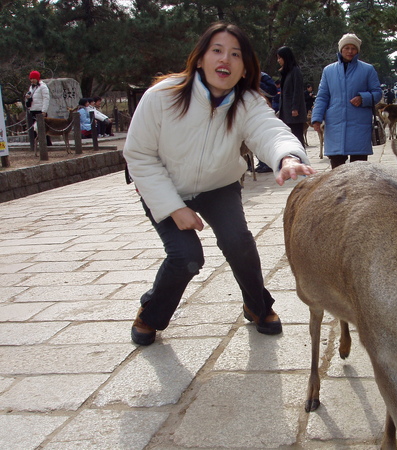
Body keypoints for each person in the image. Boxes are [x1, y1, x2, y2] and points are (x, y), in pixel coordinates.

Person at [123, 22, 315, 345]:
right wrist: (174, 208)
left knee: (239, 242)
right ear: (200, 59)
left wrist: (287, 156)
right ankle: (150, 314)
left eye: (235, 54)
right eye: (217, 51)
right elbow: (139, 155)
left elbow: (269, 130)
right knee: (186, 256)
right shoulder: (162, 97)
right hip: (165, 185)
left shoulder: (247, 103)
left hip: (219, 185)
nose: (225, 59)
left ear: (244, 69)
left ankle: (257, 306)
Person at [311, 33, 382, 169]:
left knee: (359, 171)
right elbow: (322, 96)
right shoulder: (329, 71)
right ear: (340, 49)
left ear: (358, 50)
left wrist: (363, 98)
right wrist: (316, 118)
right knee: (336, 170)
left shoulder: (367, 69)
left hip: (359, 125)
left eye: (353, 48)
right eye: (346, 48)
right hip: (335, 125)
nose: (350, 51)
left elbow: (377, 93)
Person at [276, 46, 307, 148]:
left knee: (297, 138)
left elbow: (297, 91)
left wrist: (295, 108)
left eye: (280, 58)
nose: (278, 60)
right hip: (286, 112)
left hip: (294, 113)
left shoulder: (295, 71)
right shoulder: (285, 72)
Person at [25, 70, 52, 146]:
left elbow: (46, 98)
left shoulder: (43, 86)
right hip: (33, 109)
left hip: (40, 110)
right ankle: (35, 144)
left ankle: (47, 144)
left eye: (34, 78)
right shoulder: (31, 87)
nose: (32, 80)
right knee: (33, 128)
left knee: (43, 128)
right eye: (31, 79)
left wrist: (44, 110)